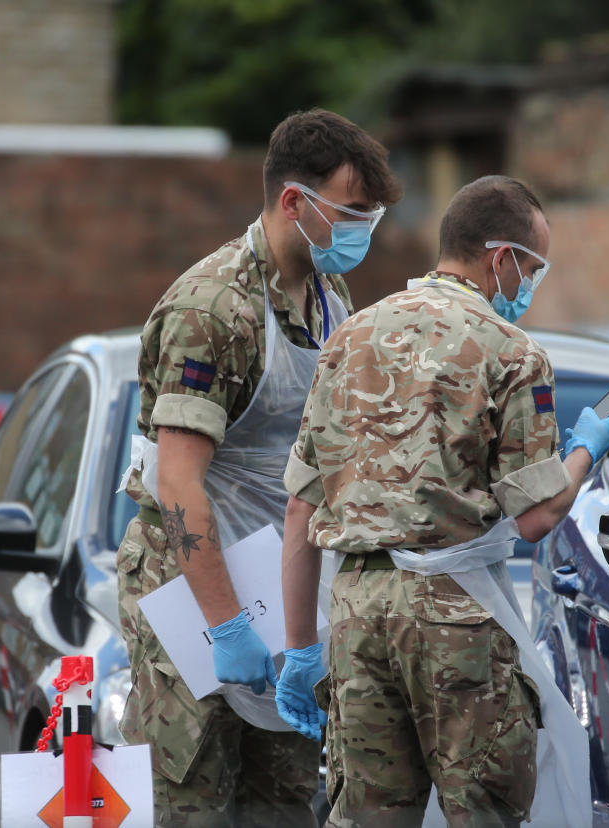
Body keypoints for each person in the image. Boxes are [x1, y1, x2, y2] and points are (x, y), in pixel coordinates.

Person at [275, 175, 609, 827]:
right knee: (482, 811)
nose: (531, 283)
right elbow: (537, 516)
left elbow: (300, 508)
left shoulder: (349, 339)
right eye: (533, 267)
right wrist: (586, 453)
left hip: (356, 616)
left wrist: (300, 650)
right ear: (501, 259)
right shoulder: (513, 352)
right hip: (455, 620)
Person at [116, 108, 402, 827]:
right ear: (293, 204)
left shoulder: (330, 301)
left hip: (285, 593)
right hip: (196, 599)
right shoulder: (215, 310)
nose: (367, 229)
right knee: (192, 804)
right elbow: (176, 481)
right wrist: (226, 628)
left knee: (283, 803)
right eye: (354, 212)